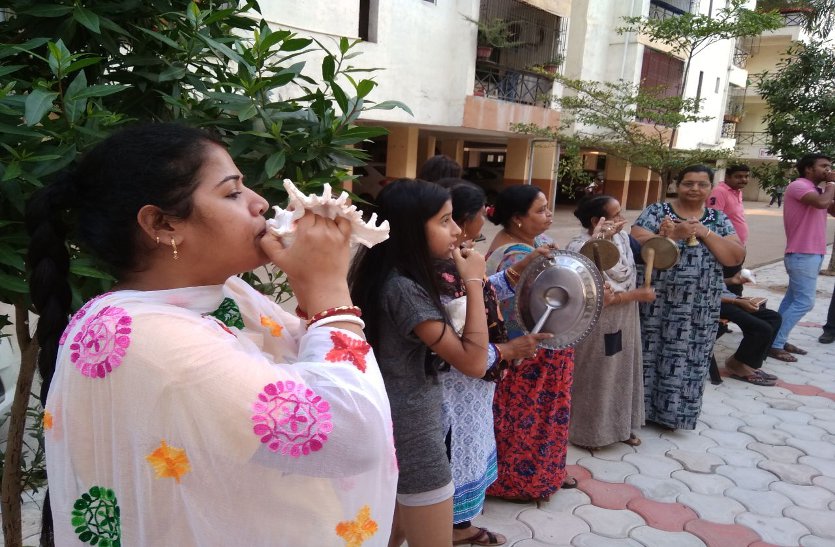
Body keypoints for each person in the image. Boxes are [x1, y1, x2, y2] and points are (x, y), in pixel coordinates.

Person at [26, 123, 397, 546]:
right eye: (232, 193)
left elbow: (321, 374)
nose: (259, 203)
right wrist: (328, 291)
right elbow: (351, 435)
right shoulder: (148, 339)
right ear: (162, 224)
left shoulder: (225, 295)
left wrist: (314, 288)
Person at [348, 178, 490, 547]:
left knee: (390, 529)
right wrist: (474, 282)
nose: (456, 230)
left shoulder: (389, 276)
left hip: (396, 421)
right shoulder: (403, 289)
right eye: (444, 221)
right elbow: (474, 362)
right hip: (412, 430)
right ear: (411, 229)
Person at [434, 179, 550, 546]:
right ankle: (450, 529)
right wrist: (508, 351)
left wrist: (517, 270)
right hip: (455, 387)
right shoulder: (435, 274)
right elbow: (458, 340)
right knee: (452, 454)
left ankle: (456, 525)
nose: (458, 228)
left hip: (473, 384)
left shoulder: (459, 258)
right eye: (446, 220)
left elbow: (481, 294)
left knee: (467, 451)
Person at [483, 185, 578, 502]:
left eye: (548, 207)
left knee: (541, 420)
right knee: (525, 421)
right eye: (540, 210)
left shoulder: (533, 244)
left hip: (541, 353)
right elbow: (516, 315)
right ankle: (517, 483)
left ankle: (545, 473)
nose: (549, 214)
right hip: (527, 358)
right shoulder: (515, 256)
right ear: (517, 219)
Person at [631, 165, 745, 431]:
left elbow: (735, 257)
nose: (695, 189)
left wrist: (705, 233)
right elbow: (635, 244)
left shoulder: (717, 219)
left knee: (690, 358)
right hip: (657, 303)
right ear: (677, 185)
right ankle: (639, 412)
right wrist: (672, 235)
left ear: (710, 188)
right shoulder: (657, 212)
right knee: (649, 354)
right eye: (688, 183)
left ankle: (675, 417)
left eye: (702, 184)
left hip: (699, 307)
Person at [565, 196, 655, 449]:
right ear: (597, 220)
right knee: (597, 375)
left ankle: (620, 426)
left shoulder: (623, 239)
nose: (622, 220)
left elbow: (649, 252)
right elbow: (588, 295)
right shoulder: (579, 248)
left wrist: (666, 235)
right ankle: (589, 433)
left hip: (625, 317)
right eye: (616, 215)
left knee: (622, 372)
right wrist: (635, 296)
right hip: (596, 324)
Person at [768, 154, 835, 360]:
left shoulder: (817, 190)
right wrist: (832, 184)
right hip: (802, 253)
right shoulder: (799, 186)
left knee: (791, 300)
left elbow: (831, 208)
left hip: (812, 253)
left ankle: (774, 339)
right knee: (805, 302)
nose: (828, 169)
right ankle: (775, 344)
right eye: (823, 166)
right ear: (808, 169)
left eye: (830, 166)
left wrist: (831, 188)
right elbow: (822, 204)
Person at [719, 282, 782, 386]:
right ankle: (737, 366)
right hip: (716, 303)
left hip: (730, 298)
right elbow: (704, 294)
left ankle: (746, 363)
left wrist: (734, 280)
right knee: (762, 328)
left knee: (774, 318)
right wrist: (736, 301)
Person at [709, 164, 751, 297]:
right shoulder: (719, 192)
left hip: (738, 246)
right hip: (726, 248)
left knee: (736, 283)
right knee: (732, 286)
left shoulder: (737, 191)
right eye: (738, 176)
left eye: (746, 176)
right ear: (727, 177)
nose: (743, 180)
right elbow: (713, 220)